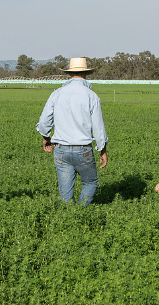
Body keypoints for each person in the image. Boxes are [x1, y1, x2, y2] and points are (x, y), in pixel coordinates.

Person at [36, 57, 108, 205]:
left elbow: (44, 122)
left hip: (60, 150)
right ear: (86, 74)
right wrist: (103, 150)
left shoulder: (57, 93)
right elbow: (98, 128)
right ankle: (81, 212)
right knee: (90, 183)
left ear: (69, 74)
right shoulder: (92, 96)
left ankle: (68, 217)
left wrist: (46, 138)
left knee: (65, 194)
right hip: (83, 150)